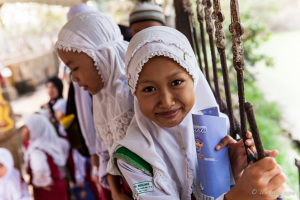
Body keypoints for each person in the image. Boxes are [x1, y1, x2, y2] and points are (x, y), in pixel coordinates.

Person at [108, 26, 286, 200]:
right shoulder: (133, 156)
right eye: (149, 88)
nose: (166, 101)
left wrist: (232, 173)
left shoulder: (214, 128)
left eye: (176, 82)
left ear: (194, 79)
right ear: (135, 93)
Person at [55, 11, 134, 200]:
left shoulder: (137, 91)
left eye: (74, 68)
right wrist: (115, 192)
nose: (73, 78)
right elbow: (106, 153)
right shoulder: (102, 100)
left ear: (102, 56)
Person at [22, 113, 70, 200]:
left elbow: (39, 170)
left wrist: (40, 182)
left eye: (26, 128)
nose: (23, 131)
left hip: (48, 192)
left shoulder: (36, 151)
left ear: (35, 130)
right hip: (59, 186)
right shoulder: (50, 143)